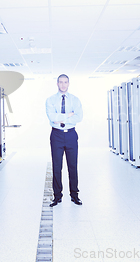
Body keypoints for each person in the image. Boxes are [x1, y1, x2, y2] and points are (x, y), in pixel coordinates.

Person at [45, 74, 83, 207]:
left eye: (65, 82)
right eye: (60, 82)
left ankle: (74, 195)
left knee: (73, 166)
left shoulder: (75, 100)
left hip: (71, 135)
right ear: (57, 83)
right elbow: (52, 117)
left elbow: (79, 117)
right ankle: (57, 196)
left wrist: (61, 118)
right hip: (57, 136)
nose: (63, 85)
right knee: (57, 166)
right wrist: (68, 115)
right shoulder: (50, 100)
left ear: (68, 83)